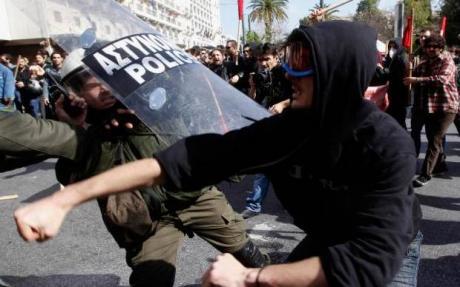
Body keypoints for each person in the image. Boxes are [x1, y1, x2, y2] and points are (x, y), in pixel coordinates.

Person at [15, 21, 422, 287]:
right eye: (288, 60)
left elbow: (366, 265)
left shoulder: (385, 147)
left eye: (303, 64)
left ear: (340, 72)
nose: (287, 74)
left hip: (384, 253)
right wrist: (63, 199)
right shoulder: (285, 131)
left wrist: (251, 277)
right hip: (326, 238)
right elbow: (175, 161)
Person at [19, 49, 270, 287]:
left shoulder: (151, 100)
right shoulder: (79, 131)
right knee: (151, 280)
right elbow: (72, 177)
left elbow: (194, 116)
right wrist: (81, 131)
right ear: (74, 92)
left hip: (195, 198)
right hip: (147, 220)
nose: (103, 87)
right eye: (90, 82)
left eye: (107, 77)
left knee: (248, 255)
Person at [404, 34, 459, 187]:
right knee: (433, 138)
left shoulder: (447, 60)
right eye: (428, 47)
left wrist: (417, 80)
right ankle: (440, 166)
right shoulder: (425, 62)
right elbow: (413, 76)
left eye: (434, 47)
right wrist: (409, 67)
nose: (430, 50)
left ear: (441, 47)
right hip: (430, 107)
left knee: (435, 139)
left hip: (447, 106)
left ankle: (425, 174)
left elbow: (441, 80)